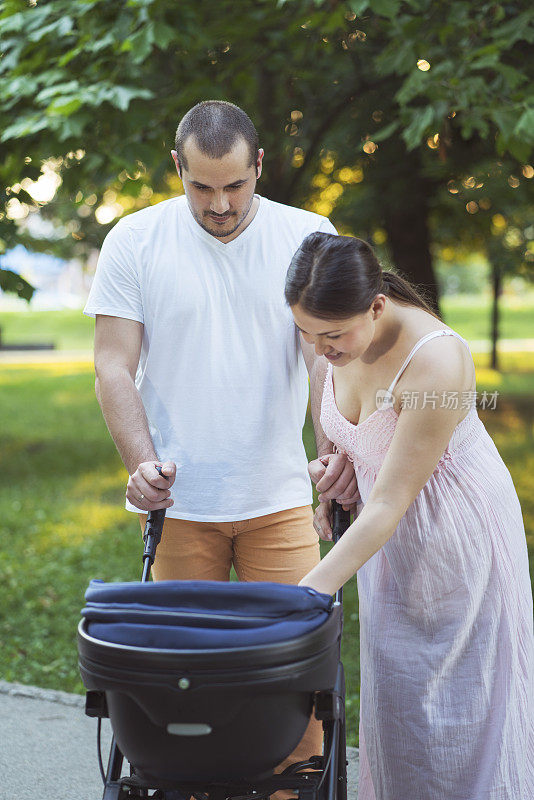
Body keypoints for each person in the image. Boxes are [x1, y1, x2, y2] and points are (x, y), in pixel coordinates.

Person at [84, 101, 358, 778]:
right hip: (180, 508)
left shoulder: (307, 234)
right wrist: (140, 464)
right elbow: (112, 364)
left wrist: (329, 456)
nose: (220, 205)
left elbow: (326, 358)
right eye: (201, 187)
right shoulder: (134, 240)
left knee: (297, 695)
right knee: (184, 698)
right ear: (178, 168)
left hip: (279, 498)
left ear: (258, 165)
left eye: (235, 185)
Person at [285, 231, 534, 800]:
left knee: (461, 712)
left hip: (455, 539)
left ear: (376, 306)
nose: (318, 348)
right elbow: (361, 435)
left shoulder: (435, 360)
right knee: (400, 704)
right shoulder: (335, 336)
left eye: (330, 335)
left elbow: (393, 501)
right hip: (387, 544)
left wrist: (306, 593)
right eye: (304, 331)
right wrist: (336, 468)